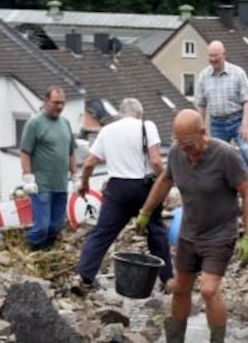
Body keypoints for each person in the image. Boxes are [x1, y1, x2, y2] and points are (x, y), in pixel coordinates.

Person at [135, 109, 248, 343]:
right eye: (180, 143)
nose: (185, 150)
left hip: (220, 234)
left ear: (203, 133)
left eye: (189, 144)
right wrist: (146, 211)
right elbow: (165, 181)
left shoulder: (225, 155)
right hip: (189, 233)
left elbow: (247, 192)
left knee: (209, 290)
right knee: (180, 288)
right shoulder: (178, 154)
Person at [73, 98, 173, 294]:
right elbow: (155, 162)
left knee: (102, 233)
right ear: (139, 113)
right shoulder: (147, 126)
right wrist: (164, 186)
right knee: (157, 232)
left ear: (120, 113)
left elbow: (90, 162)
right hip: (143, 187)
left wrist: (84, 183)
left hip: (116, 189)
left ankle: (82, 277)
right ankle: (168, 279)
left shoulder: (107, 130)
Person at [194, 40, 248, 191]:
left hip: (237, 120)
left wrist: (245, 124)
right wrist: (201, 127)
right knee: (217, 156)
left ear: (224, 55)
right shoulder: (204, 76)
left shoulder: (238, 73)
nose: (213, 59)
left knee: (246, 150)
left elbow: (247, 100)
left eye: (216, 56)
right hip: (217, 123)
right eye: (210, 56)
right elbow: (200, 104)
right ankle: (222, 187)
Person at [19, 86, 76, 250]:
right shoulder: (35, 123)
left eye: (62, 103)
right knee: (42, 227)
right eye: (55, 102)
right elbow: (25, 152)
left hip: (60, 184)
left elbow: (71, 151)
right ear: (45, 101)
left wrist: (76, 175)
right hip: (41, 185)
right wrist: (28, 177)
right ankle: (30, 251)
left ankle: (46, 252)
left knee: (56, 226)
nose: (59, 106)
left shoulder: (65, 123)